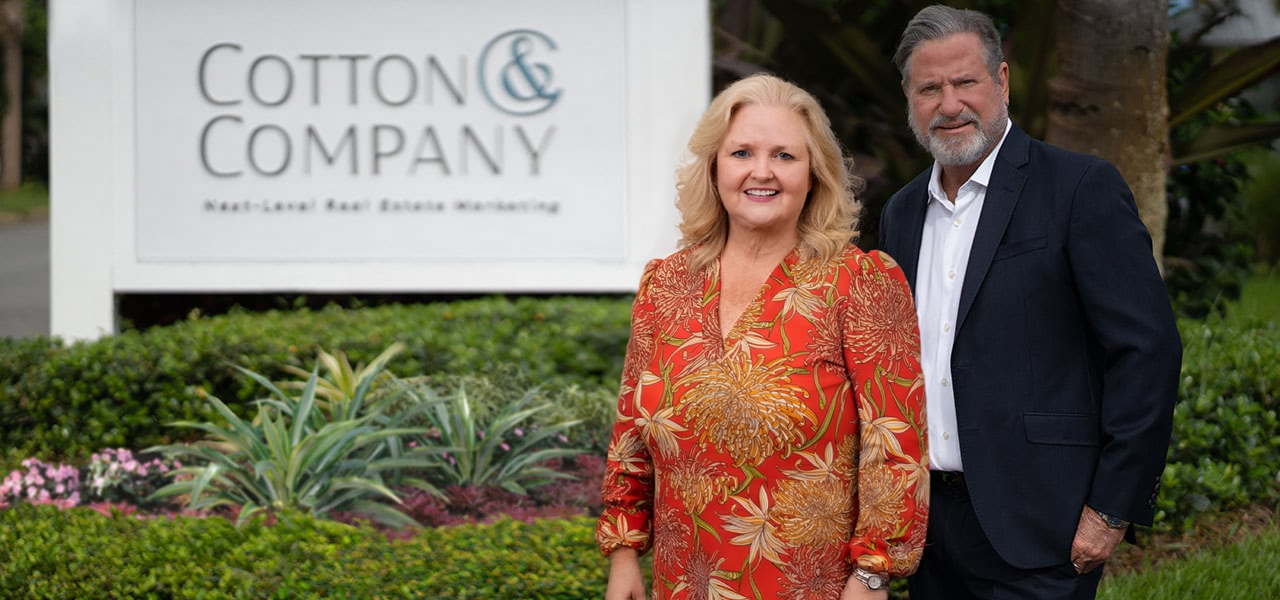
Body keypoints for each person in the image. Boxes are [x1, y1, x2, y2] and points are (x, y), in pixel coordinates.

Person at [878, 5, 1183, 599]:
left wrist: (1112, 508)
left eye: (965, 82)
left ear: (1002, 80)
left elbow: (1148, 351)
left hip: (1044, 524)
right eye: (929, 89)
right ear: (909, 99)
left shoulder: (1079, 188)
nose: (949, 105)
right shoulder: (902, 213)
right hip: (928, 530)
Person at [597, 74, 928, 600]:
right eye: (742, 153)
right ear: (714, 167)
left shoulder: (859, 283)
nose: (762, 171)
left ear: (814, 174)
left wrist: (873, 575)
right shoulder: (666, 284)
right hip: (681, 584)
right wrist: (623, 553)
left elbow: (895, 447)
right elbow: (630, 435)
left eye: (784, 156)